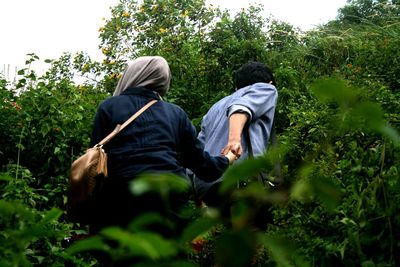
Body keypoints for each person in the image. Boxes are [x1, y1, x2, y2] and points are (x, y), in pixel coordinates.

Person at [89, 56, 236, 235]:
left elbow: (95, 162)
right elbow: (204, 167)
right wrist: (227, 159)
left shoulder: (108, 107)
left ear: (132, 75)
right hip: (169, 200)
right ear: (163, 80)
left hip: (121, 199)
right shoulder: (176, 114)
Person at [192, 61, 278, 207]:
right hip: (238, 179)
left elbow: (197, 149)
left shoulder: (216, 107)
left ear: (237, 87)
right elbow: (240, 108)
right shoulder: (266, 89)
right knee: (252, 228)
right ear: (270, 83)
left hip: (206, 186)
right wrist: (234, 141)